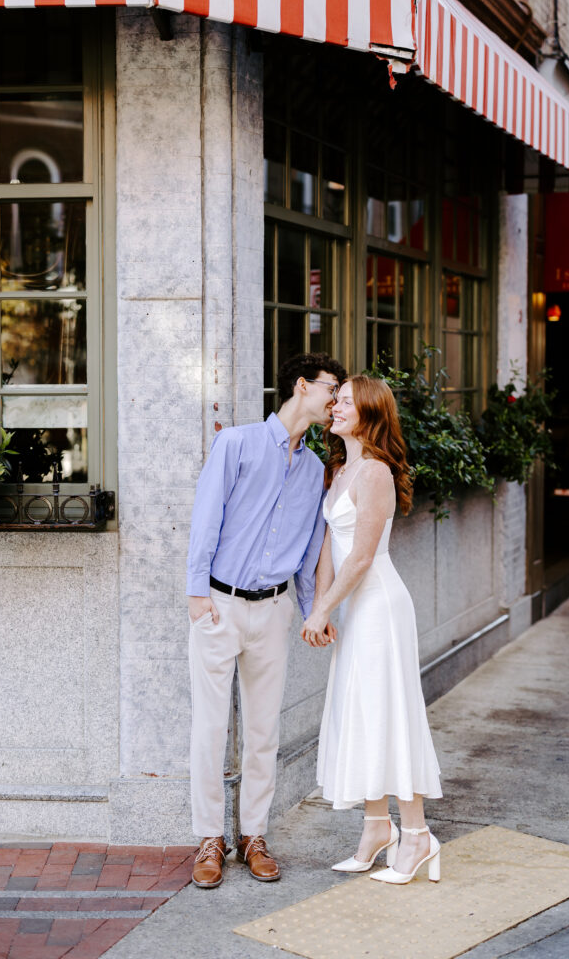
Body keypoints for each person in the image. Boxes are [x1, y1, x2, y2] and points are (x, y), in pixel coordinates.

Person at [186, 352, 347, 889]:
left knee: (263, 731)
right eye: (332, 388)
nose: (337, 399)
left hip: (273, 610)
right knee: (210, 730)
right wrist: (196, 594)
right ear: (302, 386)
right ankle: (210, 838)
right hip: (219, 605)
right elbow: (206, 517)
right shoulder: (236, 444)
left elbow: (307, 549)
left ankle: (253, 835)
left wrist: (311, 612)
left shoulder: (315, 470)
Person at [301, 375, 443, 885]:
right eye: (334, 400)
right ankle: (376, 828)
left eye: (344, 402)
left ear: (368, 414)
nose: (334, 407)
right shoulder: (339, 469)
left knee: (389, 714)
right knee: (362, 712)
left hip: (379, 606)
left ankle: (418, 835)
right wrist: (320, 604)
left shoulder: (375, 473)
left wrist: (324, 613)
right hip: (353, 607)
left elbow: (361, 557)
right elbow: (327, 547)